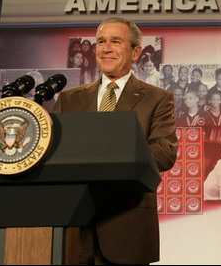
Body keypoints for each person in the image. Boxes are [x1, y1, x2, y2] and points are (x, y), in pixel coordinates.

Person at [53, 17, 178, 265]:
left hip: (128, 227)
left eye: (116, 41)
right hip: (76, 230)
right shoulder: (69, 99)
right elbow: (54, 152)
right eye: (101, 41)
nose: (106, 48)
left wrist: (109, 160)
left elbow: (164, 152)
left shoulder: (158, 98)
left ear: (135, 52)